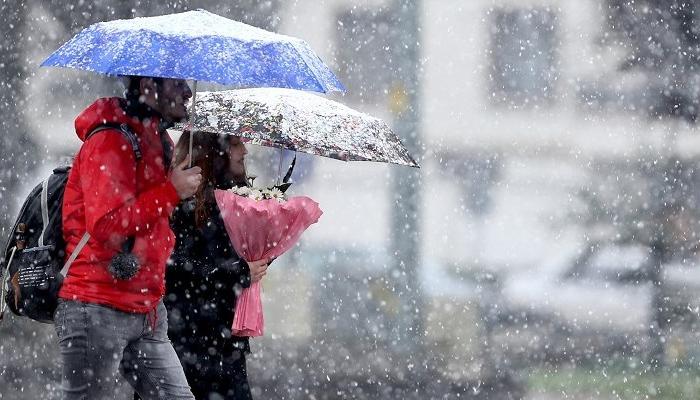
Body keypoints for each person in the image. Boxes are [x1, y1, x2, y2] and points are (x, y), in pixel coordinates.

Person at [56, 76, 201, 399]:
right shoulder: (109, 139)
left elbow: (154, 221)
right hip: (96, 306)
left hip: (148, 309)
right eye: (177, 84)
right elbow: (107, 225)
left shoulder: (158, 139)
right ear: (149, 84)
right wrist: (170, 191)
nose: (188, 92)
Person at [164, 131, 268, 399]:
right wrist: (238, 272)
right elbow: (172, 266)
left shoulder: (237, 201)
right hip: (184, 340)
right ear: (214, 150)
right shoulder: (179, 203)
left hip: (224, 341)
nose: (244, 151)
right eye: (236, 144)